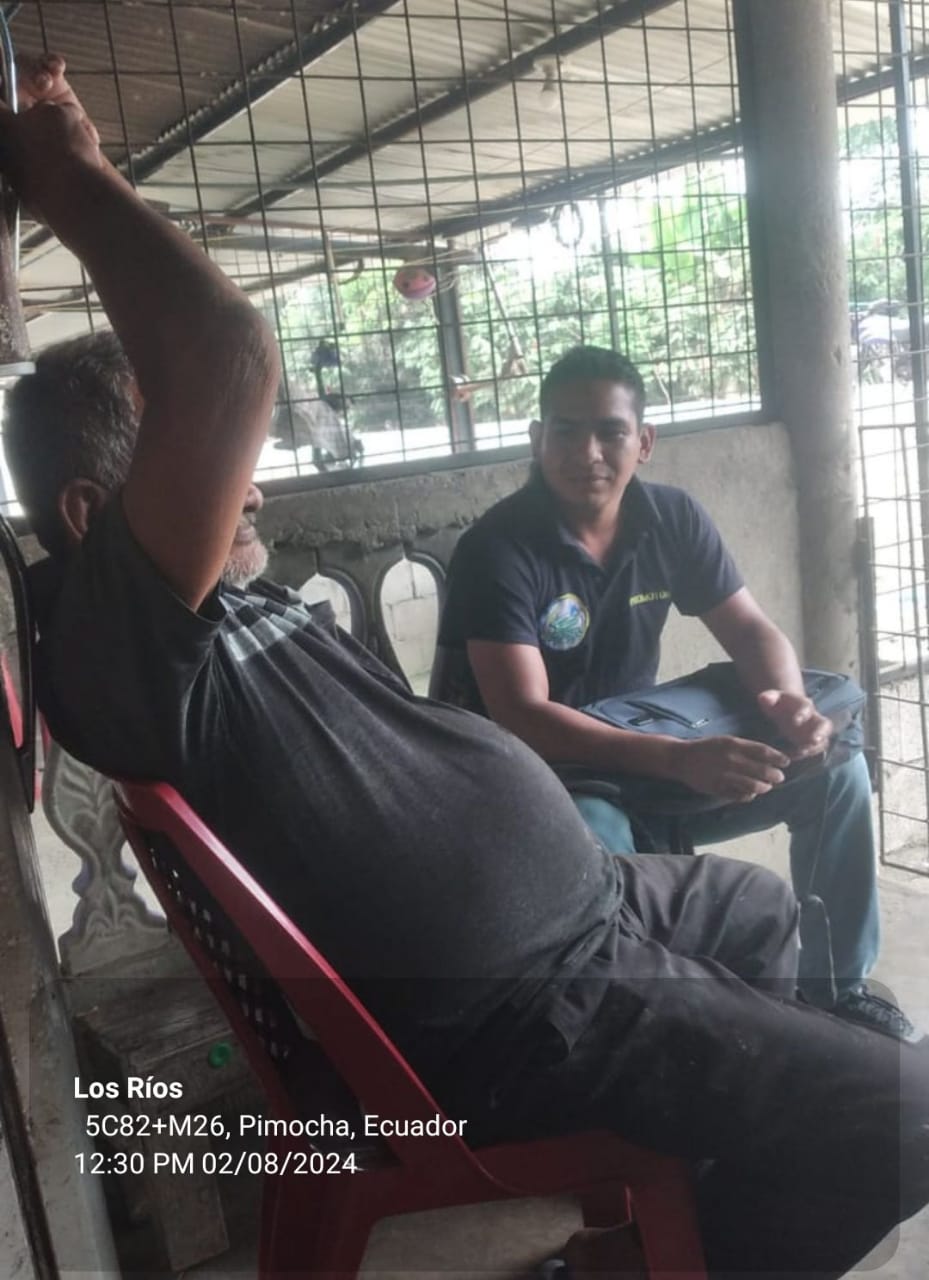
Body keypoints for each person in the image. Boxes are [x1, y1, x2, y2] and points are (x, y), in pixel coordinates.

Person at [3, 56, 929, 1280]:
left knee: (764, 913)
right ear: (89, 514)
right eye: (217, 472)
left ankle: (675, 1213)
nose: (251, 488)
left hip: (576, 916)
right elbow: (224, 353)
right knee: (902, 1119)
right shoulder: (120, 637)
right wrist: (70, 170)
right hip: (509, 1012)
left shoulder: (212, 609)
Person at [434, 344, 912, 1040]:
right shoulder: (498, 549)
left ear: (644, 442)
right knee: (609, 855)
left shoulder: (669, 518)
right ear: (537, 439)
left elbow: (749, 629)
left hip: (647, 756)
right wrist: (679, 759)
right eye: (565, 430)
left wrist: (786, 700)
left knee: (835, 774)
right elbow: (522, 715)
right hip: (540, 779)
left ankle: (835, 992)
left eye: (610, 431)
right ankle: (655, 1030)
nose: (587, 452)